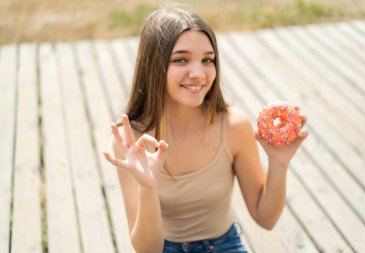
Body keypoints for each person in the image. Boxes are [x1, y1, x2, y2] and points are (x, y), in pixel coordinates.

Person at [103, 6, 308, 253]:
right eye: (181, 60)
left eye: (207, 60)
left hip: (224, 245)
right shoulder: (131, 140)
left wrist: (278, 163)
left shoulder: (234, 126)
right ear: (154, 67)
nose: (199, 73)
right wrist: (147, 186)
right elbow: (147, 249)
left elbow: (266, 219)